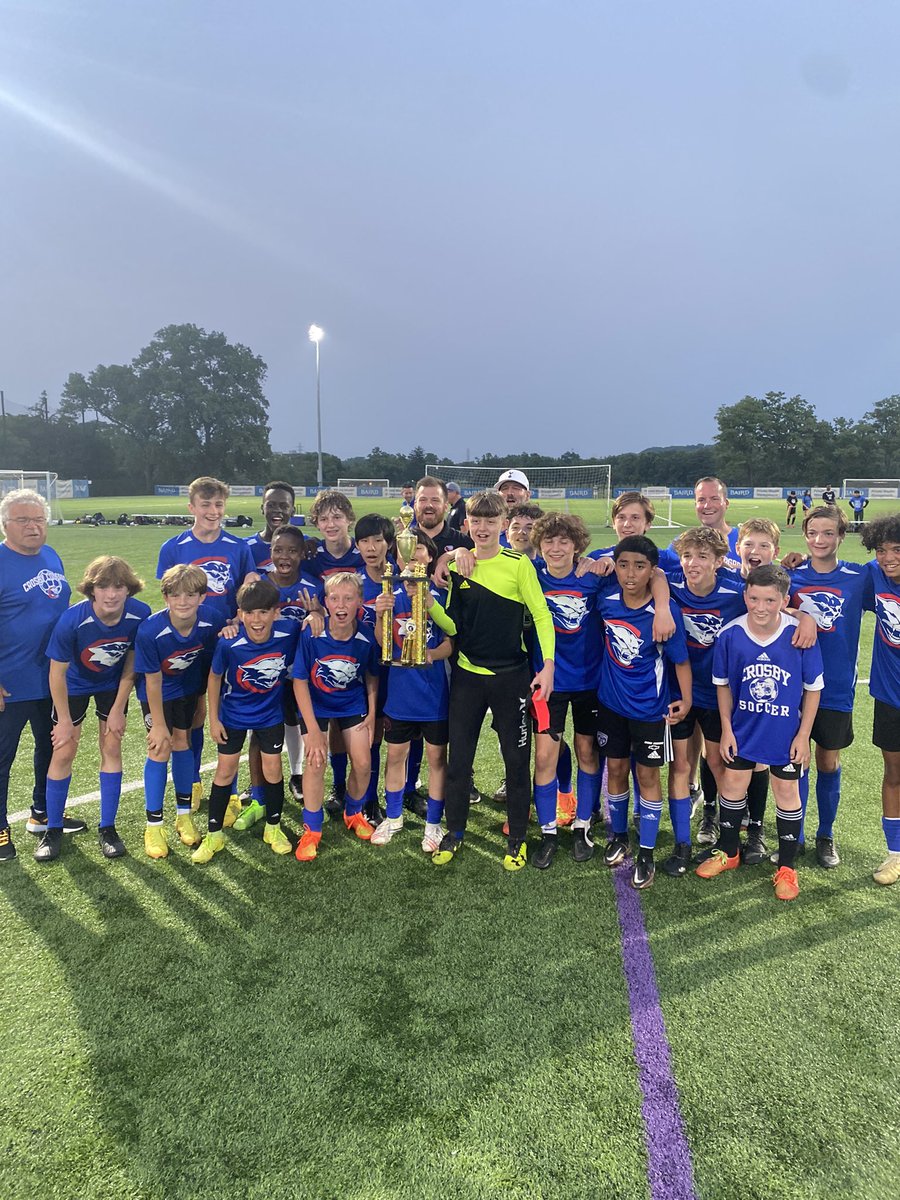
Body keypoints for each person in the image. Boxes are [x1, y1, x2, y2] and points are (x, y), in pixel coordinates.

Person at [427, 489, 555, 871]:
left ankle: (517, 837)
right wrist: (426, 601)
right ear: (466, 524)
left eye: (490, 521)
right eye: (476, 521)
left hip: (511, 678)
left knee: (516, 761)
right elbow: (453, 626)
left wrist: (547, 666)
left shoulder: (518, 565)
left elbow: (543, 616)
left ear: (503, 523)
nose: (483, 528)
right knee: (459, 762)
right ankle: (455, 831)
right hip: (467, 676)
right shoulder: (458, 567)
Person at [697, 564, 824, 901]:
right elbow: (723, 686)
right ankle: (729, 851)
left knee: (787, 793)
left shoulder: (800, 634)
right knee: (733, 784)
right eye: (754, 598)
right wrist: (726, 729)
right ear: (745, 596)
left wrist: (803, 736)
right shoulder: (730, 635)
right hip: (742, 730)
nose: (761, 607)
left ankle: (786, 867)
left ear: (784, 600)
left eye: (770, 600)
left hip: (785, 733)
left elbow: (813, 689)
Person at [37, 556, 150, 862]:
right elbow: (56, 673)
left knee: (111, 746)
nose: (111, 594)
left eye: (119, 586)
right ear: (91, 590)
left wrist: (117, 708)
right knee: (64, 749)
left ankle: (108, 828)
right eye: (103, 587)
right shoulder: (72, 621)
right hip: (72, 685)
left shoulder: (140, 615)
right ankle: (54, 829)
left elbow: (131, 661)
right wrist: (62, 720)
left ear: (129, 589)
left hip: (112, 685)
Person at [595, 536, 692, 890]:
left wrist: (688, 700)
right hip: (610, 704)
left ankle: (647, 851)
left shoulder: (665, 614)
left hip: (650, 710)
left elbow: (680, 661)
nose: (629, 574)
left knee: (648, 778)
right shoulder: (605, 600)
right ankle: (619, 836)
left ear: (652, 571)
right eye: (623, 565)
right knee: (616, 769)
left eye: (639, 566)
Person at [156, 476, 258, 808]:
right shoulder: (174, 547)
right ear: (192, 508)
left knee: (224, 711)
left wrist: (238, 617)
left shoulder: (238, 546)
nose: (213, 512)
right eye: (206, 505)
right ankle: (193, 780)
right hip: (186, 641)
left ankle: (227, 785)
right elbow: (167, 594)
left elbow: (248, 589)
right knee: (194, 711)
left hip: (224, 640)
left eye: (218, 505)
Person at [193, 578, 299, 864]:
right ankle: (213, 835)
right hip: (233, 715)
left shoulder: (288, 631)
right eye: (249, 613)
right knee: (225, 772)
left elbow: (309, 630)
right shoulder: (230, 642)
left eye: (263, 612)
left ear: (275, 613)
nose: (256, 619)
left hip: (270, 714)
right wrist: (213, 719)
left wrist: (315, 616)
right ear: (240, 615)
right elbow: (214, 678)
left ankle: (273, 829)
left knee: (273, 769)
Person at [785, 506, 867, 868]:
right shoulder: (790, 576)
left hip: (835, 688)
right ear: (805, 535)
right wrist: (799, 613)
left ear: (841, 537)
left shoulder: (858, 577)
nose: (820, 540)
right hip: (795, 687)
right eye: (813, 533)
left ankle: (826, 833)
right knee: (796, 760)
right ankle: (796, 833)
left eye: (828, 533)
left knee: (828, 761)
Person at [0, 489, 78, 863]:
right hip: (9, 685)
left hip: (51, 681)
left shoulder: (51, 555)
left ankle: (41, 813)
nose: (33, 527)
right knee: (3, 758)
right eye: (23, 520)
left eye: (38, 520)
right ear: (5, 524)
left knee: (50, 749)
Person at [662, 527, 745, 876]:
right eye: (686, 556)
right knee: (681, 765)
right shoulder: (670, 583)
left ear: (719, 561)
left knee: (717, 761)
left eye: (702, 557)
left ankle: (729, 843)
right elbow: (645, 571)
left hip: (717, 694)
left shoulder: (736, 591)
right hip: (678, 691)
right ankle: (682, 842)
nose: (692, 564)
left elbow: (776, 597)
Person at [528, 513, 604, 868]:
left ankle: (583, 825)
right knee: (545, 756)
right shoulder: (530, 576)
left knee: (588, 751)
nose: (556, 548)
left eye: (564, 542)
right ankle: (547, 832)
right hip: (548, 683)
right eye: (549, 541)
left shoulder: (593, 577)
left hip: (591, 682)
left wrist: (601, 561)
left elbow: (646, 560)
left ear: (577, 546)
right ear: (539, 546)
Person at [134, 565, 226, 859]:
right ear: (165, 597)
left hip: (186, 688)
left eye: (190, 594)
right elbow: (152, 680)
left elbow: (209, 661)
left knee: (184, 743)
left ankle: (183, 816)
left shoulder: (211, 620)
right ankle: (154, 826)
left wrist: (201, 697)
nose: (183, 601)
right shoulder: (150, 630)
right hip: (157, 693)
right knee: (160, 748)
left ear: (202, 597)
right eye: (175, 595)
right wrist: (158, 724)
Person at [372, 537, 454, 848]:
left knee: (436, 759)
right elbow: (383, 643)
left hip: (433, 697)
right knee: (395, 756)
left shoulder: (439, 598)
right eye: (410, 548)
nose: (415, 553)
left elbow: (451, 643)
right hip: (401, 696)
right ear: (400, 556)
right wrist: (381, 615)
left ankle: (433, 824)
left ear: (431, 557)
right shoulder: (389, 596)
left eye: (421, 548)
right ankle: (393, 818)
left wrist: (433, 654)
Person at [292, 572, 379, 861]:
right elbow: (300, 680)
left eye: (348, 598)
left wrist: (372, 712)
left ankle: (353, 813)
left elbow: (370, 675)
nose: (341, 604)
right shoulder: (312, 632)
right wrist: (313, 730)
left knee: (364, 762)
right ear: (326, 602)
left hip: (351, 703)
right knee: (315, 760)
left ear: (359, 601)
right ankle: (312, 830)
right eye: (334, 598)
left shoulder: (366, 636)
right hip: (316, 705)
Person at [303, 489, 364, 816]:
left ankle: (360, 796)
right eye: (324, 518)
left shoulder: (362, 552)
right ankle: (337, 790)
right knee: (332, 728)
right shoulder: (312, 558)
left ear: (349, 520)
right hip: (323, 651)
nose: (330, 523)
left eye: (337, 517)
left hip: (364, 646)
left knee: (365, 730)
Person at [860, 514, 900, 885]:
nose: (888, 557)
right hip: (890, 695)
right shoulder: (874, 575)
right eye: (882, 549)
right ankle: (895, 854)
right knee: (894, 773)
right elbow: (834, 581)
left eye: (897, 549)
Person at [244, 481, 298, 572]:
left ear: (293, 511)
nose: (277, 510)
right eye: (271, 505)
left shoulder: (305, 545)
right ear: (262, 509)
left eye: (284, 506)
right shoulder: (245, 547)